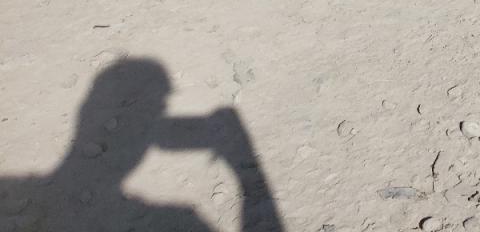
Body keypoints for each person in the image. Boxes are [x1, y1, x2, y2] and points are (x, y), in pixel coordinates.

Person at [0, 59, 282, 231]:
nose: (161, 109)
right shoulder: (183, 215)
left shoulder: (15, 186)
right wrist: (246, 165)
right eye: (160, 105)